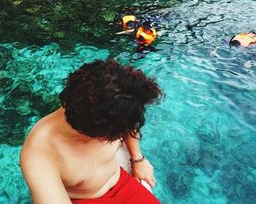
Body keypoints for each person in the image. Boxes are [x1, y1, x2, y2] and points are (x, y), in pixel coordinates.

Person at [20, 58, 162, 204]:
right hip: (85, 199)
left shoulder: (102, 97)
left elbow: (127, 119)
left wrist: (137, 159)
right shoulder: (40, 156)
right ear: (101, 135)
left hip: (122, 182)